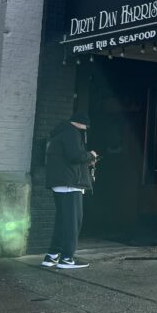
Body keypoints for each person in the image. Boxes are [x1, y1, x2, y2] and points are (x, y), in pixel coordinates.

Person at [43, 112, 97, 269]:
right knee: (73, 222)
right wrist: (90, 155)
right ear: (81, 123)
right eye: (85, 127)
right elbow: (75, 156)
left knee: (62, 221)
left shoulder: (60, 132)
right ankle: (67, 258)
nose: (86, 130)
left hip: (60, 183)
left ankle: (52, 256)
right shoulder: (72, 133)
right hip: (70, 185)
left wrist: (85, 160)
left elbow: (68, 158)